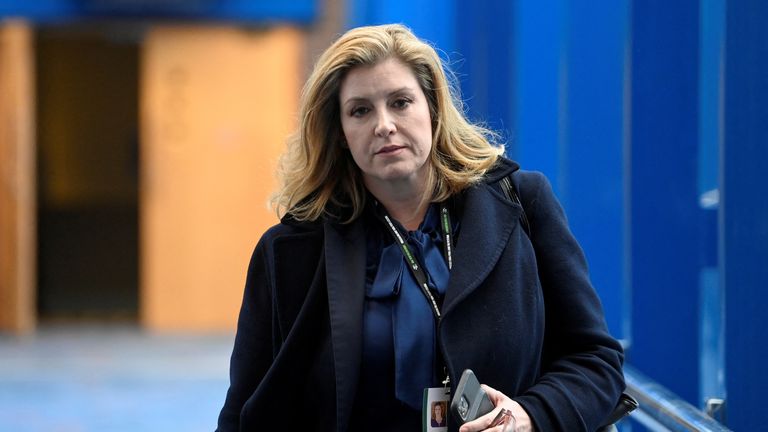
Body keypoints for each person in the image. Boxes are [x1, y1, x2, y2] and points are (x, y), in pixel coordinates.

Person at [216, 23, 625, 432]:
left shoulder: (521, 204)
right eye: (360, 110)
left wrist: (530, 415)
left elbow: (595, 361)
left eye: (400, 102)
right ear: (339, 133)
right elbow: (245, 407)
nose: (383, 125)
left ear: (432, 107)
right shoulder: (291, 250)